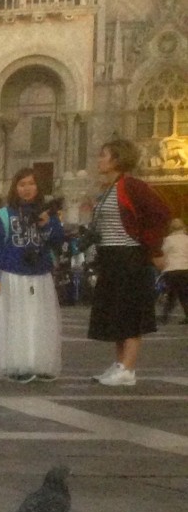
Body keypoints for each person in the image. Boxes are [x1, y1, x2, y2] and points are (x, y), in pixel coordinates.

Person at [87, 137, 170, 386]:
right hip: (111, 257)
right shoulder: (108, 188)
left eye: (104, 155)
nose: (99, 160)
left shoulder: (131, 185)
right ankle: (119, 364)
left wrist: (152, 247)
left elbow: (160, 213)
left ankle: (128, 368)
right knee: (116, 313)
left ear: (117, 159)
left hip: (129, 256)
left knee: (130, 313)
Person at [0, 166, 65, 384]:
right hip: (13, 274)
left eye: (31, 184)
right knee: (16, 321)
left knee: (40, 320)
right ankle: (17, 364)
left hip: (40, 273)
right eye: (22, 185)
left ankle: (40, 363)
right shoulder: (4, 215)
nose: (27, 189)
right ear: (15, 188)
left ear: (38, 187)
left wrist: (48, 224)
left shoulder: (48, 212)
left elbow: (58, 240)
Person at [157, 217, 188, 323]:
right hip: (185, 268)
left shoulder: (167, 240)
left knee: (171, 294)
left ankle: (165, 316)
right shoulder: (187, 239)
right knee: (185, 294)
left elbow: (163, 253)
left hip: (171, 269)